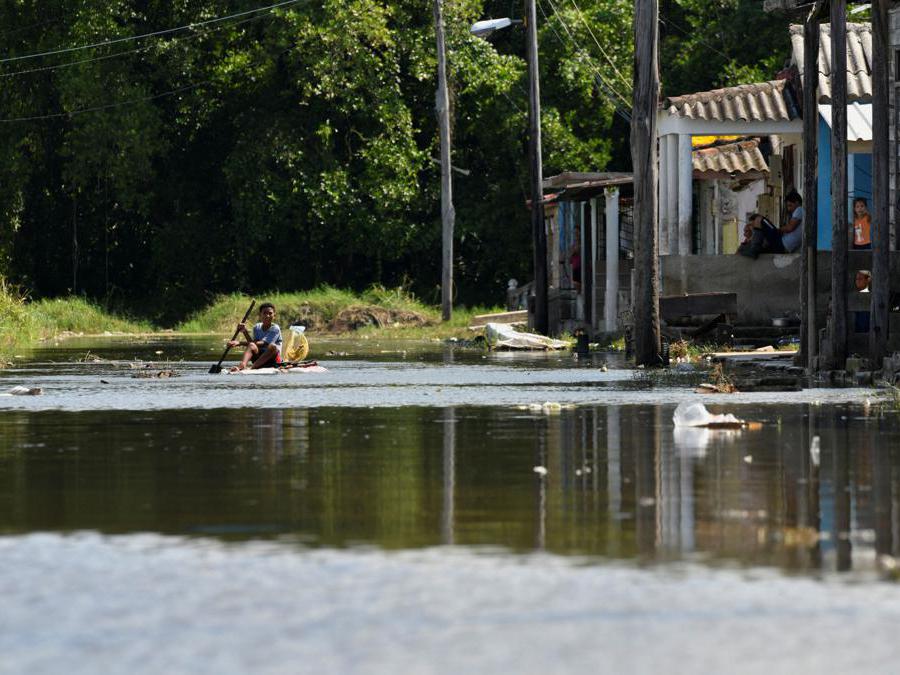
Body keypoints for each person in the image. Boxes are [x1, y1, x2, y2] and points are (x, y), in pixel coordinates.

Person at [228, 302, 283, 371]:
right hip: (259, 358)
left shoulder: (275, 328)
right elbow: (253, 343)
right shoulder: (257, 327)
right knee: (251, 345)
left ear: (274, 315)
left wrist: (240, 343)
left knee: (272, 346)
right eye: (265, 313)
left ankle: (251, 368)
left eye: (270, 313)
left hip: (272, 359)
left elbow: (264, 343)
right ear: (260, 315)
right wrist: (244, 331)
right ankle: (241, 366)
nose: (267, 316)